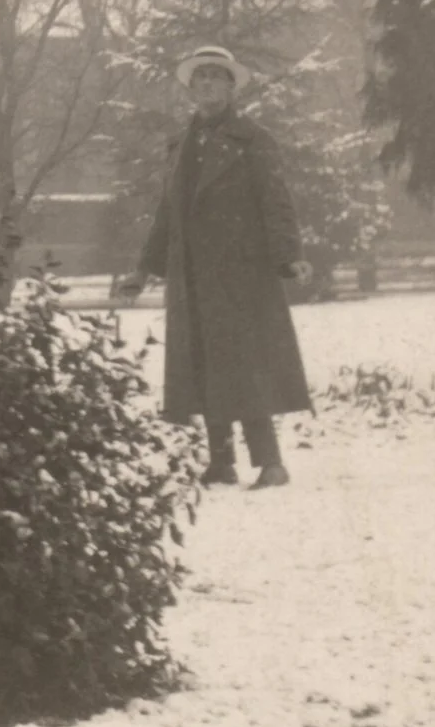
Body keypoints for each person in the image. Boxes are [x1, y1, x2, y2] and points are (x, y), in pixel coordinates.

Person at [116, 45, 314, 488]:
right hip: (192, 275)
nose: (208, 84)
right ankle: (220, 462)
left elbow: (276, 202)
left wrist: (290, 255)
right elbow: (167, 213)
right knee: (203, 364)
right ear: (190, 88)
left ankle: (270, 463)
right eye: (200, 77)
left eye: (217, 77)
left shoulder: (253, 141)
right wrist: (143, 270)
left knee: (245, 365)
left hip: (242, 274)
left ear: (231, 86)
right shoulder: (180, 144)